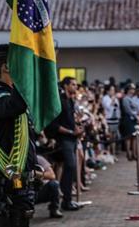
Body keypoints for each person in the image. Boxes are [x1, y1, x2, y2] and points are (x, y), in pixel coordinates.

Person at [0, 44, 38, 226]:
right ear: (6, 67)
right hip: (6, 185)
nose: (23, 68)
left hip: (21, 184)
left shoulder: (12, 96)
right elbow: (13, 107)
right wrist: (25, 80)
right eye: (19, 63)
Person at [48, 76, 84, 211]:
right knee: (70, 166)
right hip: (63, 139)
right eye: (73, 84)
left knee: (71, 167)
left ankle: (67, 199)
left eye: (76, 84)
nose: (75, 87)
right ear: (66, 85)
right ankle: (65, 200)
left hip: (71, 138)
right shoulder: (59, 100)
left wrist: (77, 128)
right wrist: (71, 132)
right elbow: (54, 124)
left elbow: (70, 120)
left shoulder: (70, 101)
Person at [102, 85, 121, 157]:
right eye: (111, 90)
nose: (113, 92)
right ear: (107, 91)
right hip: (108, 119)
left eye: (113, 90)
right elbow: (108, 107)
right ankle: (109, 153)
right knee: (109, 137)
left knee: (114, 137)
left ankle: (113, 153)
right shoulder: (105, 98)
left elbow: (117, 108)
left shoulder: (115, 98)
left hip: (115, 118)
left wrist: (119, 117)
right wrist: (112, 100)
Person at [121, 83, 139, 161]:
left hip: (133, 119)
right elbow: (128, 110)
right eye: (132, 89)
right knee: (128, 137)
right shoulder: (126, 99)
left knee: (134, 137)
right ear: (128, 90)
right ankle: (128, 153)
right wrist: (136, 116)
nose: (133, 90)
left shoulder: (132, 98)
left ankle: (134, 153)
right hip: (128, 119)